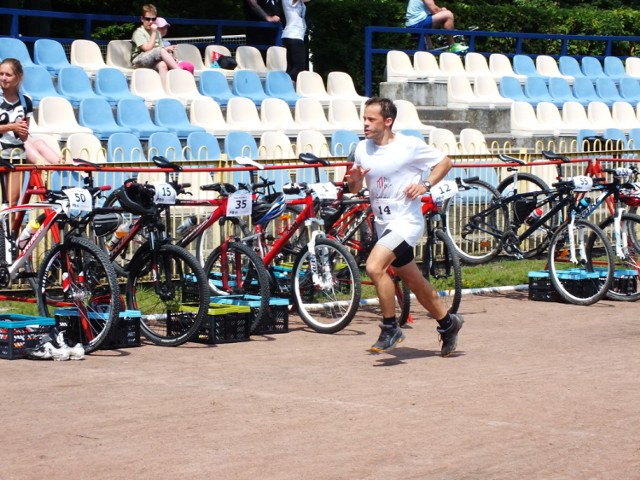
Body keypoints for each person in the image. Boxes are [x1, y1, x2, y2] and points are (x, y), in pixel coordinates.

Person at [345, 97, 463, 356]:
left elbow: (445, 162)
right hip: (383, 223)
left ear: (387, 121)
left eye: (371, 119)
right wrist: (353, 182)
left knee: (375, 267)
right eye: (364, 118)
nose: (365, 123)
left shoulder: (409, 146)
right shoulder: (362, 149)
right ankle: (448, 323)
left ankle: (390, 327)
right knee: (414, 281)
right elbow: (354, 188)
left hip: (406, 222)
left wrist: (426, 185)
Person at [0, 58, 63, 206]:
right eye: (1, 73)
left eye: (8, 74)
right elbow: (13, 127)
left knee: (12, 202)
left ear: (19, 77)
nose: (3, 78)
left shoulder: (25, 101)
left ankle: (11, 230)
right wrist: (12, 126)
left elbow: (24, 134)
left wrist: (21, 131)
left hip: (16, 153)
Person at [130, 4, 181, 84]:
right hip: (138, 62)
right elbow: (147, 49)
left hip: (153, 61)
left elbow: (162, 50)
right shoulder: (138, 32)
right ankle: (180, 72)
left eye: (153, 19)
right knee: (159, 50)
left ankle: (164, 90)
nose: (151, 21)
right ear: (142, 19)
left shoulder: (157, 32)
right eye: (148, 19)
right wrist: (153, 32)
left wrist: (171, 58)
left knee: (163, 64)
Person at [281, 0, 310, 83]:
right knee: (299, 66)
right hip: (294, 35)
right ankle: (284, 84)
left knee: (291, 66)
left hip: (294, 35)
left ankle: (286, 87)